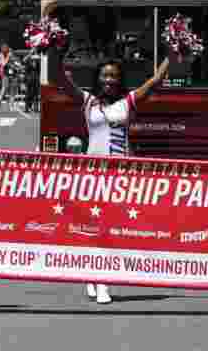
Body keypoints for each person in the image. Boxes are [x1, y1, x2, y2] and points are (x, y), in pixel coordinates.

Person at [53, 44, 171, 304]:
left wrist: (173, 54)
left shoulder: (127, 102)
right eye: (105, 75)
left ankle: (99, 277)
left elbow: (155, 81)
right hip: (92, 174)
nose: (109, 80)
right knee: (95, 228)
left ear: (119, 80)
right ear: (98, 78)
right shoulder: (87, 100)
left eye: (114, 76)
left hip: (119, 176)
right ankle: (98, 279)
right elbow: (60, 78)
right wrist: (52, 48)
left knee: (111, 229)